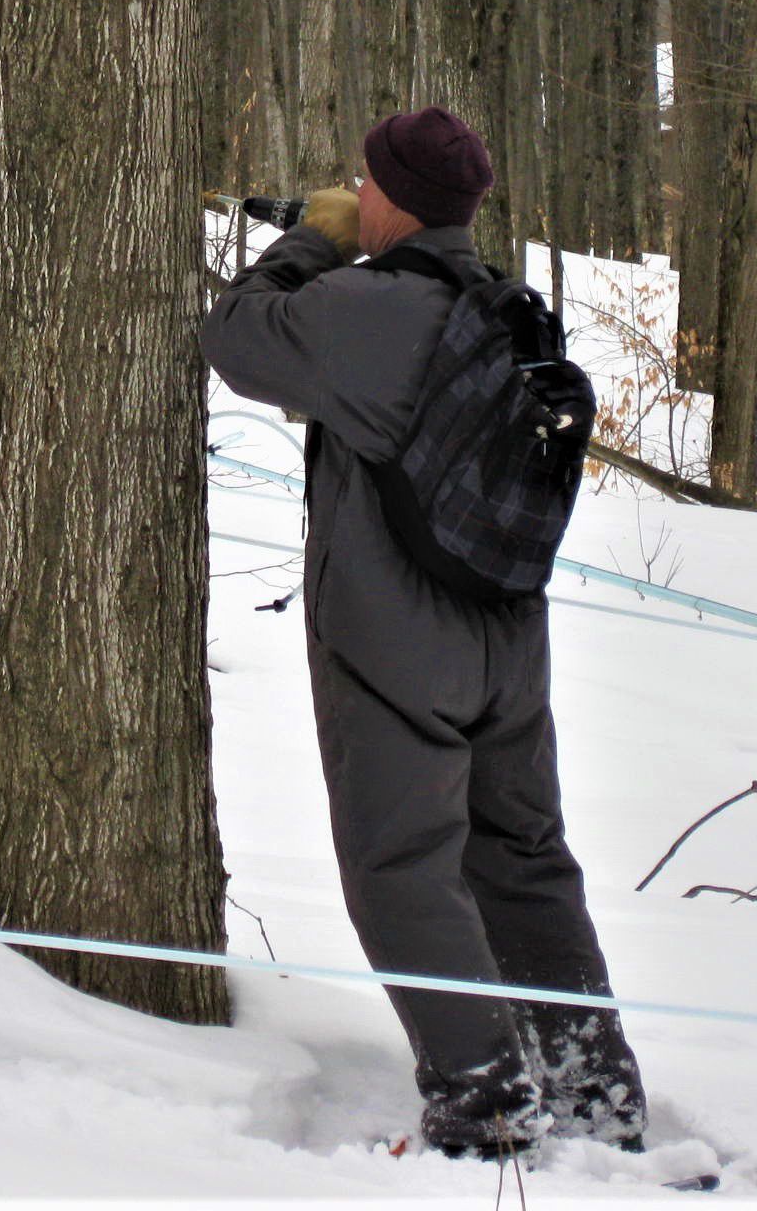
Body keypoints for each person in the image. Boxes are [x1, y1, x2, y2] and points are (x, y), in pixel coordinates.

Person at [201, 105, 646, 1160]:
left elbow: (237, 337)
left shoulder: (365, 304)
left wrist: (312, 234)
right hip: (508, 636)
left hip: (399, 638)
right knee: (522, 857)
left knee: (401, 867)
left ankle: (484, 1105)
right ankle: (595, 1095)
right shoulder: (503, 306)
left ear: (388, 196)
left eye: (365, 183)